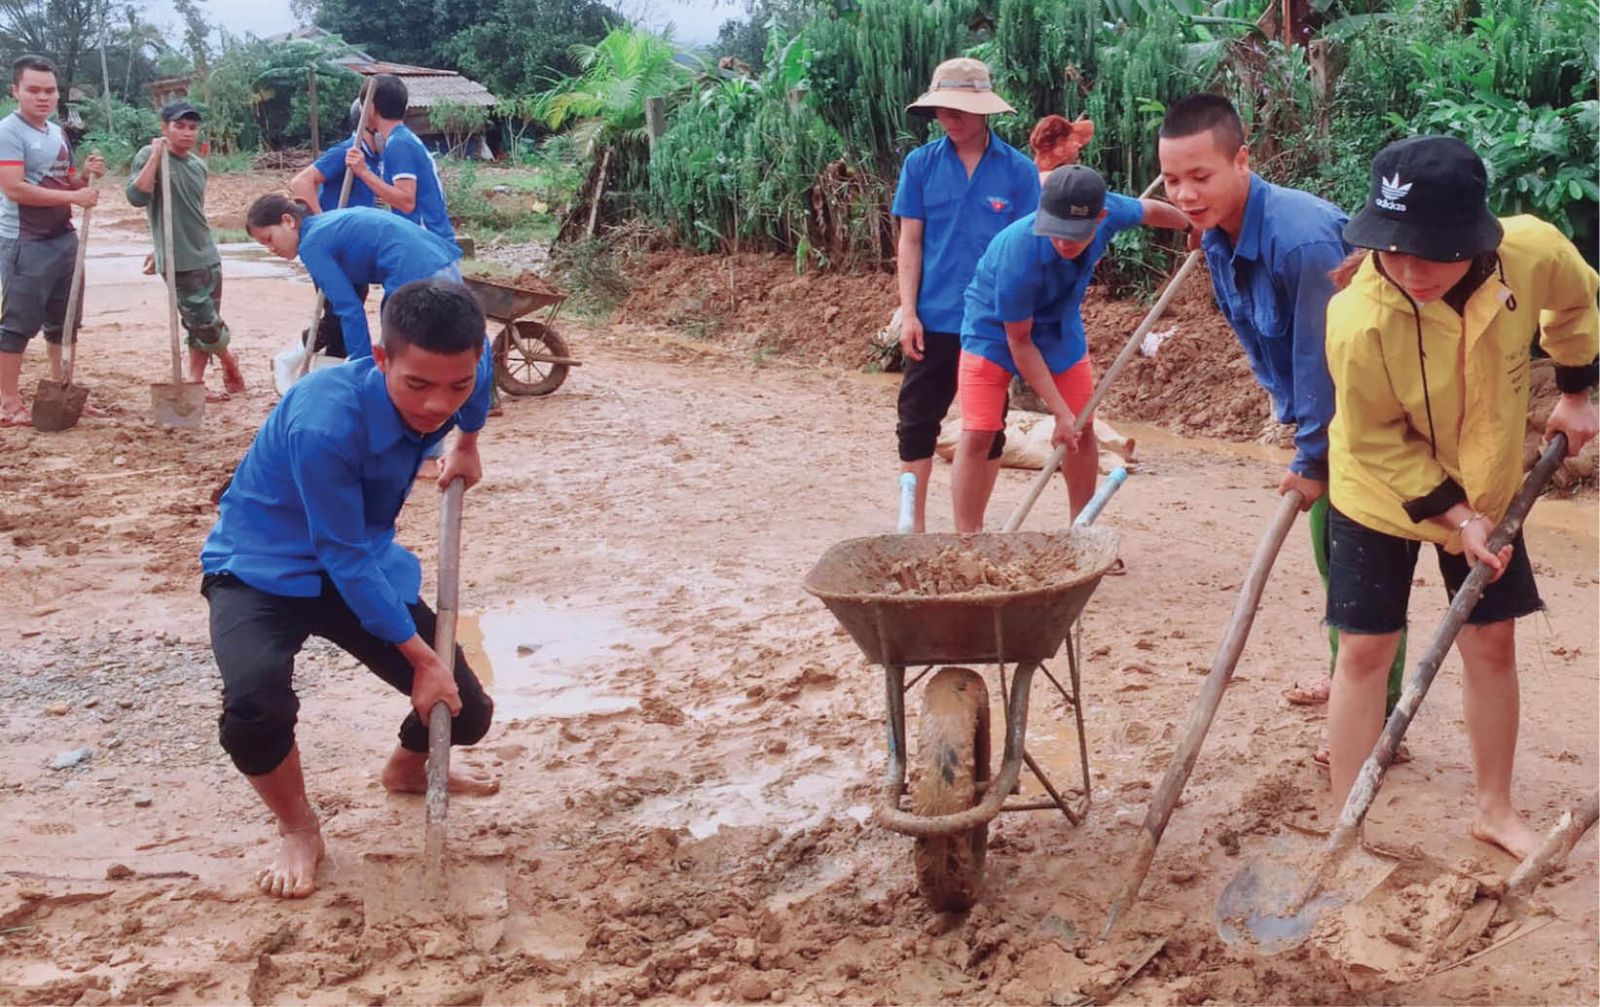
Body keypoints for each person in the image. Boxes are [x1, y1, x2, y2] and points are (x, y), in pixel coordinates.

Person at [1322, 135, 1598, 860]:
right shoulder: (1358, 317)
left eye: (1430, 252)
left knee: (1492, 641)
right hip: (1379, 488)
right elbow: (1376, 437)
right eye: (1392, 249)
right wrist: (1458, 518)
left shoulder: (1531, 251)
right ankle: (1348, 824)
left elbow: (1575, 303)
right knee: (1366, 649)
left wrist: (1573, 392)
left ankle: (1494, 808)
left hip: (1490, 482)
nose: (1409, 270)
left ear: (1475, 238)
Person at [201, 278, 499, 899]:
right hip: (264, 566)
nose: (436, 406)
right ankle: (299, 829)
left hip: (362, 558)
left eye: (458, 386)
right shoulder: (325, 422)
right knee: (255, 708)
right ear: (382, 358)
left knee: (465, 712)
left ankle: (406, 771)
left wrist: (467, 443)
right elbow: (337, 554)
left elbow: (470, 388)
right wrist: (421, 661)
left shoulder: (457, 371)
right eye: (418, 385)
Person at [1157, 94, 1406, 750]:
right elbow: (1266, 345)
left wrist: (1310, 459)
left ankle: (1373, 714)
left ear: (1243, 160)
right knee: (1335, 559)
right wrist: (1298, 431)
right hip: (1326, 422)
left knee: (1359, 567)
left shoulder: (1299, 241)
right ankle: (1349, 675)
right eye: (1172, 179)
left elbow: (1326, 365)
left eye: (1201, 177)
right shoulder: (1217, 234)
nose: (1184, 193)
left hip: (1374, 421)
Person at [952, 164, 1190, 531]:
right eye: (1056, 231)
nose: (1063, 242)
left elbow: (1153, 212)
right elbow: (1020, 342)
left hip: (1059, 327)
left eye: (1074, 235)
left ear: (1101, 218)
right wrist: (1059, 413)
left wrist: (1196, 227)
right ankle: (967, 542)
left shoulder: (1112, 211)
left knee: (1083, 430)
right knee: (980, 431)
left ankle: (1081, 532)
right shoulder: (1019, 254)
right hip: (993, 331)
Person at [890, 57, 1040, 531]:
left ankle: (968, 534)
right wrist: (908, 312)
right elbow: (910, 241)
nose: (949, 118)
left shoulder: (1018, 173)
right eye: (942, 108)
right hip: (931, 319)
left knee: (987, 430)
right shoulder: (920, 165)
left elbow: (1028, 250)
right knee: (916, 424)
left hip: (991, 325)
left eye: (960, 108)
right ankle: (911, 531)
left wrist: (1022, 319)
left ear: (986, 111)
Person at [0, 55, 105, 426]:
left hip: (63, 238)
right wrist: (74, 198)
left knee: (64, 322)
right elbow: (15, 190)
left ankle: (63, 386)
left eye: (49, 91)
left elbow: (68, 182)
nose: (42, 98)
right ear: (16, 91)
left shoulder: (56, 132)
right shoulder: (8, 132)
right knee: (17, 323)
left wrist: (87, 177)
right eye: (33, 90)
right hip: (25, 241)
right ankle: (8, 402)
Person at [126, 101, 246, 401]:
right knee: (203, 323)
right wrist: (155, 155)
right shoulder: (149, 155)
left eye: (193, 127)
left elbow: (189, 212)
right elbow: (137, 197)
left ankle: (195, 383)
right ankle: (231, 363)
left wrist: (158, 247)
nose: (187, 133)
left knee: (202, 326)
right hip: (180, 261)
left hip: (208, 253)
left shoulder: (197, 166)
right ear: (164, 127)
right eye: (179, 126)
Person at [246, 195, 462, 360]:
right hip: (441, 261)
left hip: (416, 272)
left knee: (397, 360)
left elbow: (349, 309)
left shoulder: (311, 245)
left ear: (288, 221)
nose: (271, 248)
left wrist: (360, 365)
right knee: (456, 342)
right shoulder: (324, 226)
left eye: (269, 238)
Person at [287, 98, 381, 359]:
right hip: (334, 250)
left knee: (345, 315)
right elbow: (301, 182)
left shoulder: (369, 159)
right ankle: (293, 357)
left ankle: (326, 367)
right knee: (340, 313)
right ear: (369, 125)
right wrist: (324, 225)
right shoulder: (346, 152)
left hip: (354, 251)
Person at [342, 74, 456, 242]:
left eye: (362, 105)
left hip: (428, 245)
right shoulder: (402, 139)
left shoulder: (399, 145)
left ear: (371, 109)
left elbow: (406, 202)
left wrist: (363, 172)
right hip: (427, 243)